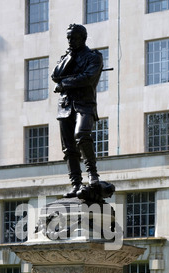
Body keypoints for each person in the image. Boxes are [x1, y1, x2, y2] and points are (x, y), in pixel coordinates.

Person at [52, 24, 103, 199]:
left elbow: (88, 78)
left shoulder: (93, 57)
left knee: (82, 134)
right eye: (68, 38)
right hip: (65, 106)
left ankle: (93, 175)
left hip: (84, 104)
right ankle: (76, 184)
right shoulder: (67, 57)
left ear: (83, 38)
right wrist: (71, 57)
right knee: (68, 148)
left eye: (73, 38)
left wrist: (65, 84)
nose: (70, 41)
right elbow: (55, 75)